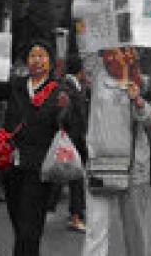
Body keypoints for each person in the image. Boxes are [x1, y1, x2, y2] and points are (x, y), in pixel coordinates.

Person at [0, 40, 70, 256]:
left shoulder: (59, 91)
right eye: (32, 56)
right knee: (19, 221)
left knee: (30, 224)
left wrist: (66, 111)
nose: (37, 61)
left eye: (42, 56)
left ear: (50, 61)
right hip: (11, 164)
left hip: (40, 167)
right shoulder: (16, 85)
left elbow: (73, 125)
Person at [82, 46, 151, 256]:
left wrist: (138, 101)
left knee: (135, 233)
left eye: (122, 51)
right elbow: (87, 44)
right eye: (109, 52)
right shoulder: (97, 76)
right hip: (100, 164)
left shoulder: (142, 81)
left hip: (133, 168)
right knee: (96, 229)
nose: (115, 57)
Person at [65, 55, 89, 233]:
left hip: (75, 139)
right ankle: (75, 216)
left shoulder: (77, 87)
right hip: (72, 139)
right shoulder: (68, 87)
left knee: (74, 179)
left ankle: (76, 213)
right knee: (75, 179)